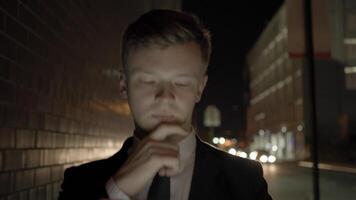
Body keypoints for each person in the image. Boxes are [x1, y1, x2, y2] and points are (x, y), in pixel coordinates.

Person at [58, 9, 272, 200]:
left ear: (199, 88)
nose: (165, 96)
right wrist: (117, 191)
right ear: (124, 85)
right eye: (148, 81)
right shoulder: (80, 182)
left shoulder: (245, 180)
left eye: (181, 82)